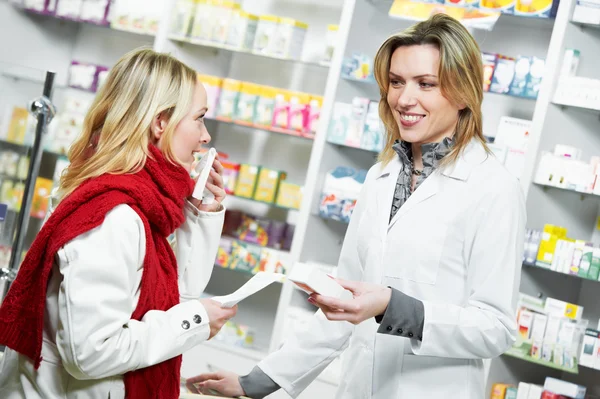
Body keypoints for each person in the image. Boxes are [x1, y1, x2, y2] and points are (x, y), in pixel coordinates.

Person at [187, 13, 526, 399]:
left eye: (426, 84)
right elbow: (344, 303)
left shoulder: (493, 188)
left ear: (464, 93)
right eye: (396, 82)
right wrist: (260, 381)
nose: (404, 99)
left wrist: (395, 309)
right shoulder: (381, 175)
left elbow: (495, 327)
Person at [0, 48, 237, 399]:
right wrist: (194, 321)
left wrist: (201, 216)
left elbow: (174, 297)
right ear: (161, 123)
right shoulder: (113, 216)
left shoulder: (146, 202)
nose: (205, 137)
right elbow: (91, 354)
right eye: (199, 118)